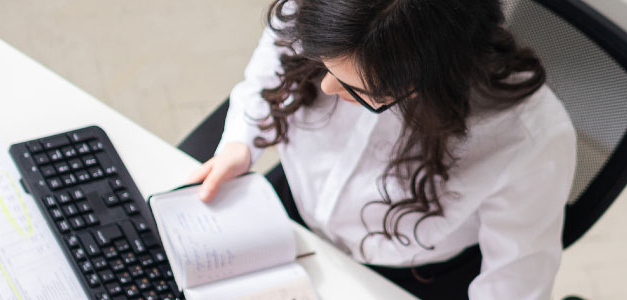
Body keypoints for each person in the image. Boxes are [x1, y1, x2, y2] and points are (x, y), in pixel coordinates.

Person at [182, 0, 576, 298]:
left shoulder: (529, 136)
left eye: (359, 90)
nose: (327, 88)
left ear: (436, 74)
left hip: (404, 274)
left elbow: (515, 280)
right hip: (293, 208)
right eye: (322, 63)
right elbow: (272, 61)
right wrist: (240, 140)